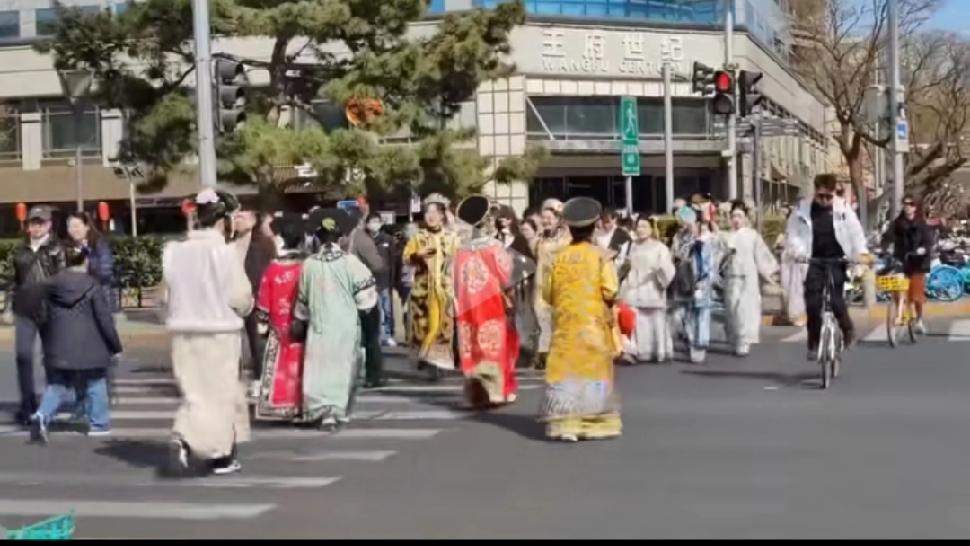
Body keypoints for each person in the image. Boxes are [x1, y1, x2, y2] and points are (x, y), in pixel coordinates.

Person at [163, 189, 252, 477]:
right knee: (219, 395)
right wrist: (247, 308)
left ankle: (189, 437)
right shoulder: (224, 253)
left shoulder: (173, 251)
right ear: (223, 219)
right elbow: (239, 297)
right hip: (219, 331)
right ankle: (211, 451)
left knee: (195, 392)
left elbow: (165, 296)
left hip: (183, 330)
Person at [540, 197, 622, 442]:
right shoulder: (601, 256)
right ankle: (593, 424)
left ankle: (566, 424)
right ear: (594, 226)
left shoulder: (556, 257)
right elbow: (610, 290)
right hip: (592, 326)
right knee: (592, 372)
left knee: (565, 371)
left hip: (565, 326)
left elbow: (548, 294)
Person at [294, 208, 377, 431]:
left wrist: (302, 319)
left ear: (318, 237)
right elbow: (366, 297)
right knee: (343, 367)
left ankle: (321, 410)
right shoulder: (350, 263)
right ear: (340, 237)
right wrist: (363, 309)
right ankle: (338, 411)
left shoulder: (309, 264)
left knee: (319, 367)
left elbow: (302, 300)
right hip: (345, 325)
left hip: (319, 326)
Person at [30, 243, 122, 443]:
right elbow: (104, 319)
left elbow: (39, 313)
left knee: (58, 384)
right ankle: (99, 424)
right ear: (86, 260)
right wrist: (115, 346)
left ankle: (42, 415)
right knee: (96, 383)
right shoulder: (92, 284)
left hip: (58, 345)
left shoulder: (48, 285)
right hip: (91, 346)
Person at [784, 174, 869, 360]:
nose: (824, 201)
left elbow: (856, 234)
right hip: (813, 260)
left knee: (836, 300)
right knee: (813, 304)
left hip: (837, 259)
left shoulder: (843, 209)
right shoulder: (801, 209)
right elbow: (792, 234)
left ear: (834, 194)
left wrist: (860, 254)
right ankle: (813, 343)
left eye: (828, 197)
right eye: (820, 196)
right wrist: (797, 252)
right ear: (815, 192)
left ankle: (847, 330)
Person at [453, 195, 520, 408]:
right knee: (492, 345)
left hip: (466, 304)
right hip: (490, 302)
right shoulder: (493, 247)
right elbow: (506, 275)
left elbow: (453, 279)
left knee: (470, 346)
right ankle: (494, 391)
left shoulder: (459, 250)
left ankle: (473, 394)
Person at [7, 205, 65, 426]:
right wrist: (8, 309)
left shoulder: (57, 249)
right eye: (33, 223)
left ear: (49, 224)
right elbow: (14, 281)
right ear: (28, 226)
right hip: (24, 310)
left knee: (51, 358)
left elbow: (63, 280)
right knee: (23, 357)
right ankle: (27, 406)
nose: (37, 227)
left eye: (41, 223)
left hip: (50, 311)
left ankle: (48, 407)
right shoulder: (21, 252)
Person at [253, 213, 308, 422]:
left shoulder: (273, 268)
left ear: (282, 240)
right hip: (303, 324)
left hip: (278, 325)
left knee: (279, 364)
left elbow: (264, 299)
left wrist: (263, 323)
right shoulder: (307, 266)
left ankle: (278, 402)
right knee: (302, 364)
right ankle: (302, 403)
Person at [403, 194, 459, 380]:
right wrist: (417, 255)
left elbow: (461, 258)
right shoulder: (418, 237)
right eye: (428, 212)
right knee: (423, 328)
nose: (431, 216)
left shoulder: (452, 237)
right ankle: (426, 357)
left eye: (435, 212)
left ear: (442, 215)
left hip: (444, 290)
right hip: (423, 291)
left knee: (442, 328)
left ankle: (433, 360)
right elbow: (406, 258)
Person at [719, 202, 779, 356]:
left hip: (748, 277)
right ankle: (735, 338)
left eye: (739, 216)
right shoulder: (725, 236)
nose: (736, 219)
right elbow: (718, 257)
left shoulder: (752, 235)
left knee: (745, 308)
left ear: (745, 218)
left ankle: (744, 340)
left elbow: (761, 255)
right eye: (734, 216)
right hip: (732, 277)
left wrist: (771, 272)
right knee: (732, 308)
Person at [233, 207, 277, 394]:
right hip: (232, 297)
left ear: (253, 221)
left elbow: (270, 270)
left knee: (257, 341)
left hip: (256, 298)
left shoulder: (264, 243)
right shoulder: (229, 242)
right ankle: (233, 380)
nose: (238, 220)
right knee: (232, 343)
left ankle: (260, 380)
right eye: (236, 217)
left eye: (242, 217)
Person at [619, 216, 675, 363]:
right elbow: (619, 264)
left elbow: (668, 268)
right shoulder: (628, 246)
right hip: (632, 288)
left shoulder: (660, 248)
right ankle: (634, 350)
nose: (641, 230)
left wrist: (661, 270)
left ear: (651, 229)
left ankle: (657, 351)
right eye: (638, 226)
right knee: (634, 320)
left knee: (655, 319)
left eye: (644, 226)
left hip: (652, 288)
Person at [669, 206, 717, 363]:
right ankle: (691, 341)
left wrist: (704, 279)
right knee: (686, 312)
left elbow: (709, 260)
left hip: (701, 278)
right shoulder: (679, 236)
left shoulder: (705, 237)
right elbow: (673, 254)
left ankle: (700, 344)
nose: (682, 222)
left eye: (684, 219)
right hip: (683, 278)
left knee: (701, 311)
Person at [346, 209, 387, 388]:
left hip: (340, 292)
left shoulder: (337, 239)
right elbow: (377, 265)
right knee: (371, 335)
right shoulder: (361, 238)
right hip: (362, 292)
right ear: (361, 220)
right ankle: (373, 375)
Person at [533, 198, 570, 370]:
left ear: (558, 219)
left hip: (561, 285)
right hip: (541, 286)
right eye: (544, 218)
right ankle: (544, 355)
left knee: (561, 321)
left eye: (550, 218)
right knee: (543, 321)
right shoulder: (539, 239)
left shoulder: (567, 238)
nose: (546, 221)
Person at [890, 195, 931, 334]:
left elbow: (928, 241)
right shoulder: (897, 223)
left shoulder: (922, 224)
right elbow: (888, 237)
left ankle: (919, 320)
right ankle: (900, 311)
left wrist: (923, 249)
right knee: (897, 288)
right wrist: (884, 247)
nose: (907, 206)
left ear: (915, 207)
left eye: (910, 204)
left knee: (916, 294)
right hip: (902, 260)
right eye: (905, 204)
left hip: (918, 263)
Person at [365, 213, 400, 349]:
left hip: (385, 280)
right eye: (372, 221)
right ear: (367, 224)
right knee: (372, 309)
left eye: (377, 221)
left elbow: (393, 260)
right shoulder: (364, 240)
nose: (374, 224)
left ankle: (387, 334)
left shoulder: (388, 239)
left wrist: (394, 279)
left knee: (386, 309)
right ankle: (373, 335)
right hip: (368, 280)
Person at [66, 212, 114, 296]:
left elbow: (106, 272)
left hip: (98, 294)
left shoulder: (99, 245)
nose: (73, 230)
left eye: (76, 226)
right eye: (70, 226)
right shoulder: (68, 247)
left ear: (87, 226)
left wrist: (87, 266)